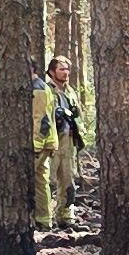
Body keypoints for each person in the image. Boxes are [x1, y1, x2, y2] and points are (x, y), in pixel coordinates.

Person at [33, 53, 84, 228]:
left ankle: (65, 215)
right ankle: (44, 215)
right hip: (53, 140)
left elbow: (78, 115)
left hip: (69, 141)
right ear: (52, 72)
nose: (65, 72)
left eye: (67, 69)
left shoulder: (70, 92)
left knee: (68, 180)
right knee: (47, 180)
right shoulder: (46, 90)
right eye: (61, 69)